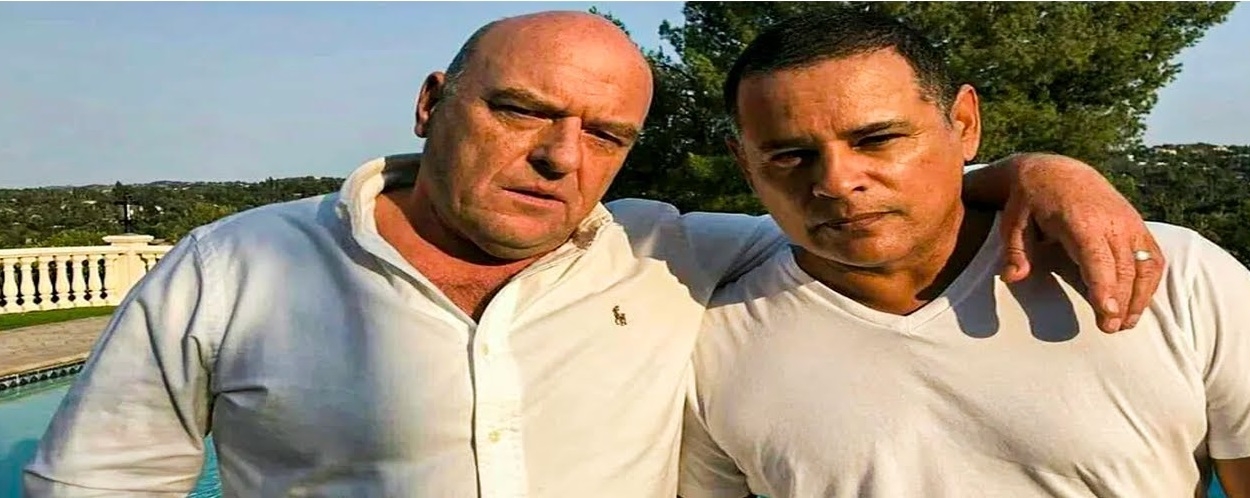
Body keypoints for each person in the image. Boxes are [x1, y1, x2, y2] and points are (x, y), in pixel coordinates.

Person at [26, 10, 1167, 498]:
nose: (559, 157)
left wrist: (1036, 170)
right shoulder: (232, 270)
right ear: (432, 102)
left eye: (605, 135)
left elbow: (865, 211)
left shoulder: (670, 252)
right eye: (521, 111)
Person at [679, 9, 1250, 498]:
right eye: (789, 156)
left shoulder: (1172, 273)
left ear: (964, 123)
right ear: (745, 165)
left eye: (878, 139)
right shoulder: (706, 345)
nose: (836, 181)